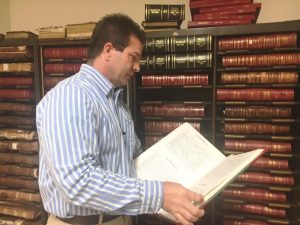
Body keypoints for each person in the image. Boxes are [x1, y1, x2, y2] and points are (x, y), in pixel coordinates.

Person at [36, 13, 205, 225]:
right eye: (133, 57)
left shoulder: (118, 105)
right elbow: (78, 183)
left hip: (120, 219)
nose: (137, 67)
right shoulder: (71, 97)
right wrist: (160, 195)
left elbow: (133, 163)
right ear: (108, 50)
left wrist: (180, 189)